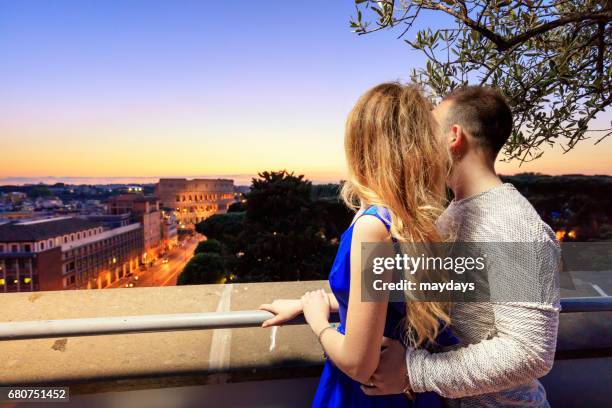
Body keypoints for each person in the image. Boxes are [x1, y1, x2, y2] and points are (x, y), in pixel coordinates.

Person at [361, 86, 561, 407]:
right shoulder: (454, 214)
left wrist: (415, 371)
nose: (419, 144)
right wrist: (325, 300)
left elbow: (529, 352)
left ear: (454, 137)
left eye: (427, 132)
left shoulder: (512, 224)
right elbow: (415, 286)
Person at [259, 82, 454, 407]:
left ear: (362, 147)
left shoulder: (373, 228)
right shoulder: (419, 223)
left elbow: (359, 363)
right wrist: (314, 303)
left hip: (366, 397)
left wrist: (318, 322)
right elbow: (392, 303)